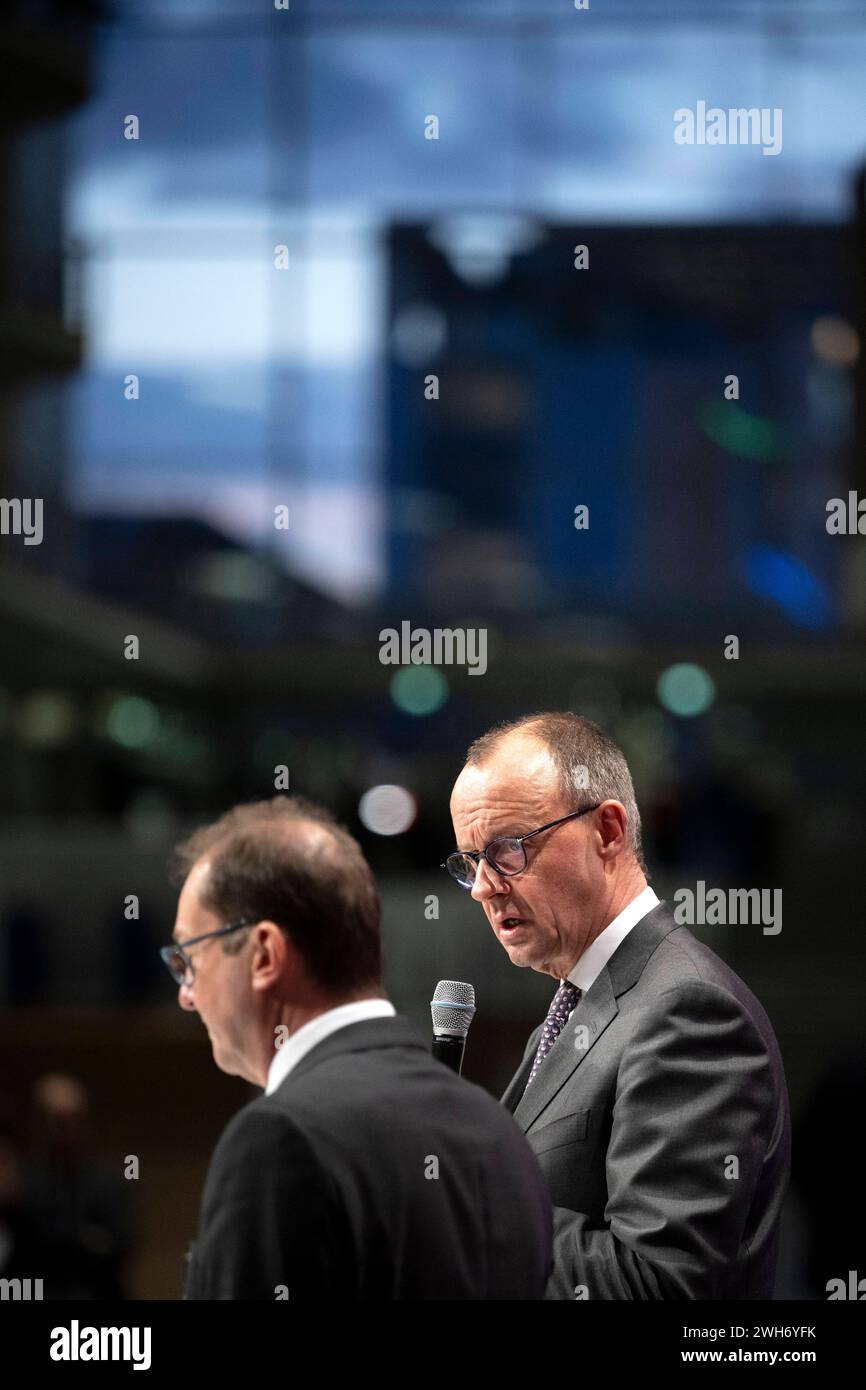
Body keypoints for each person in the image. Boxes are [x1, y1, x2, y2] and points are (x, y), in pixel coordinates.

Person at [446, 711, 791, 1300]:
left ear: (607, 831)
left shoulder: (689, 1010)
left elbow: (658, 1284)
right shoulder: (580, 1006)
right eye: (470, 860)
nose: (483, 885)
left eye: (506, 850)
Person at [164, 795, 552, 1300]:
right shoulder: (496, 1127)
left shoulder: (279, 1139)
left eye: (188, 958)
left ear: (263, 953)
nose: (185, 994)